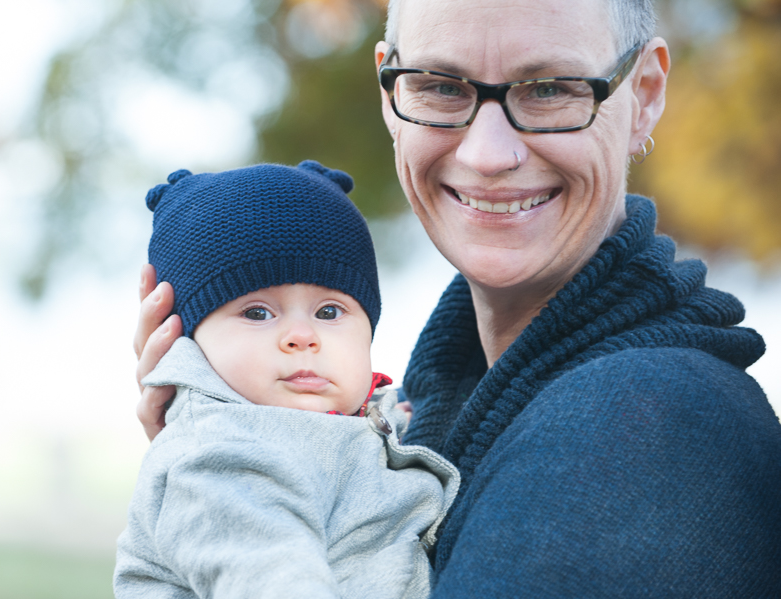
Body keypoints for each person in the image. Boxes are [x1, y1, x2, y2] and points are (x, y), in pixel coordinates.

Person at [132, 0, 781, 594]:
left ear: (644, 93)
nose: (488, 152)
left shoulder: (639, 431)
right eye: (442, 86)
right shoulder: (435, 403)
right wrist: (239, 468)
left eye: (550, 88)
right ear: (389, 94)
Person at [115, 161, 459, 599]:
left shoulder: (362, 421)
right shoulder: (218, 455)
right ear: (184, 338)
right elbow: (268, 575)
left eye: (329, 312)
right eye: (258, 313)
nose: (302, 337)